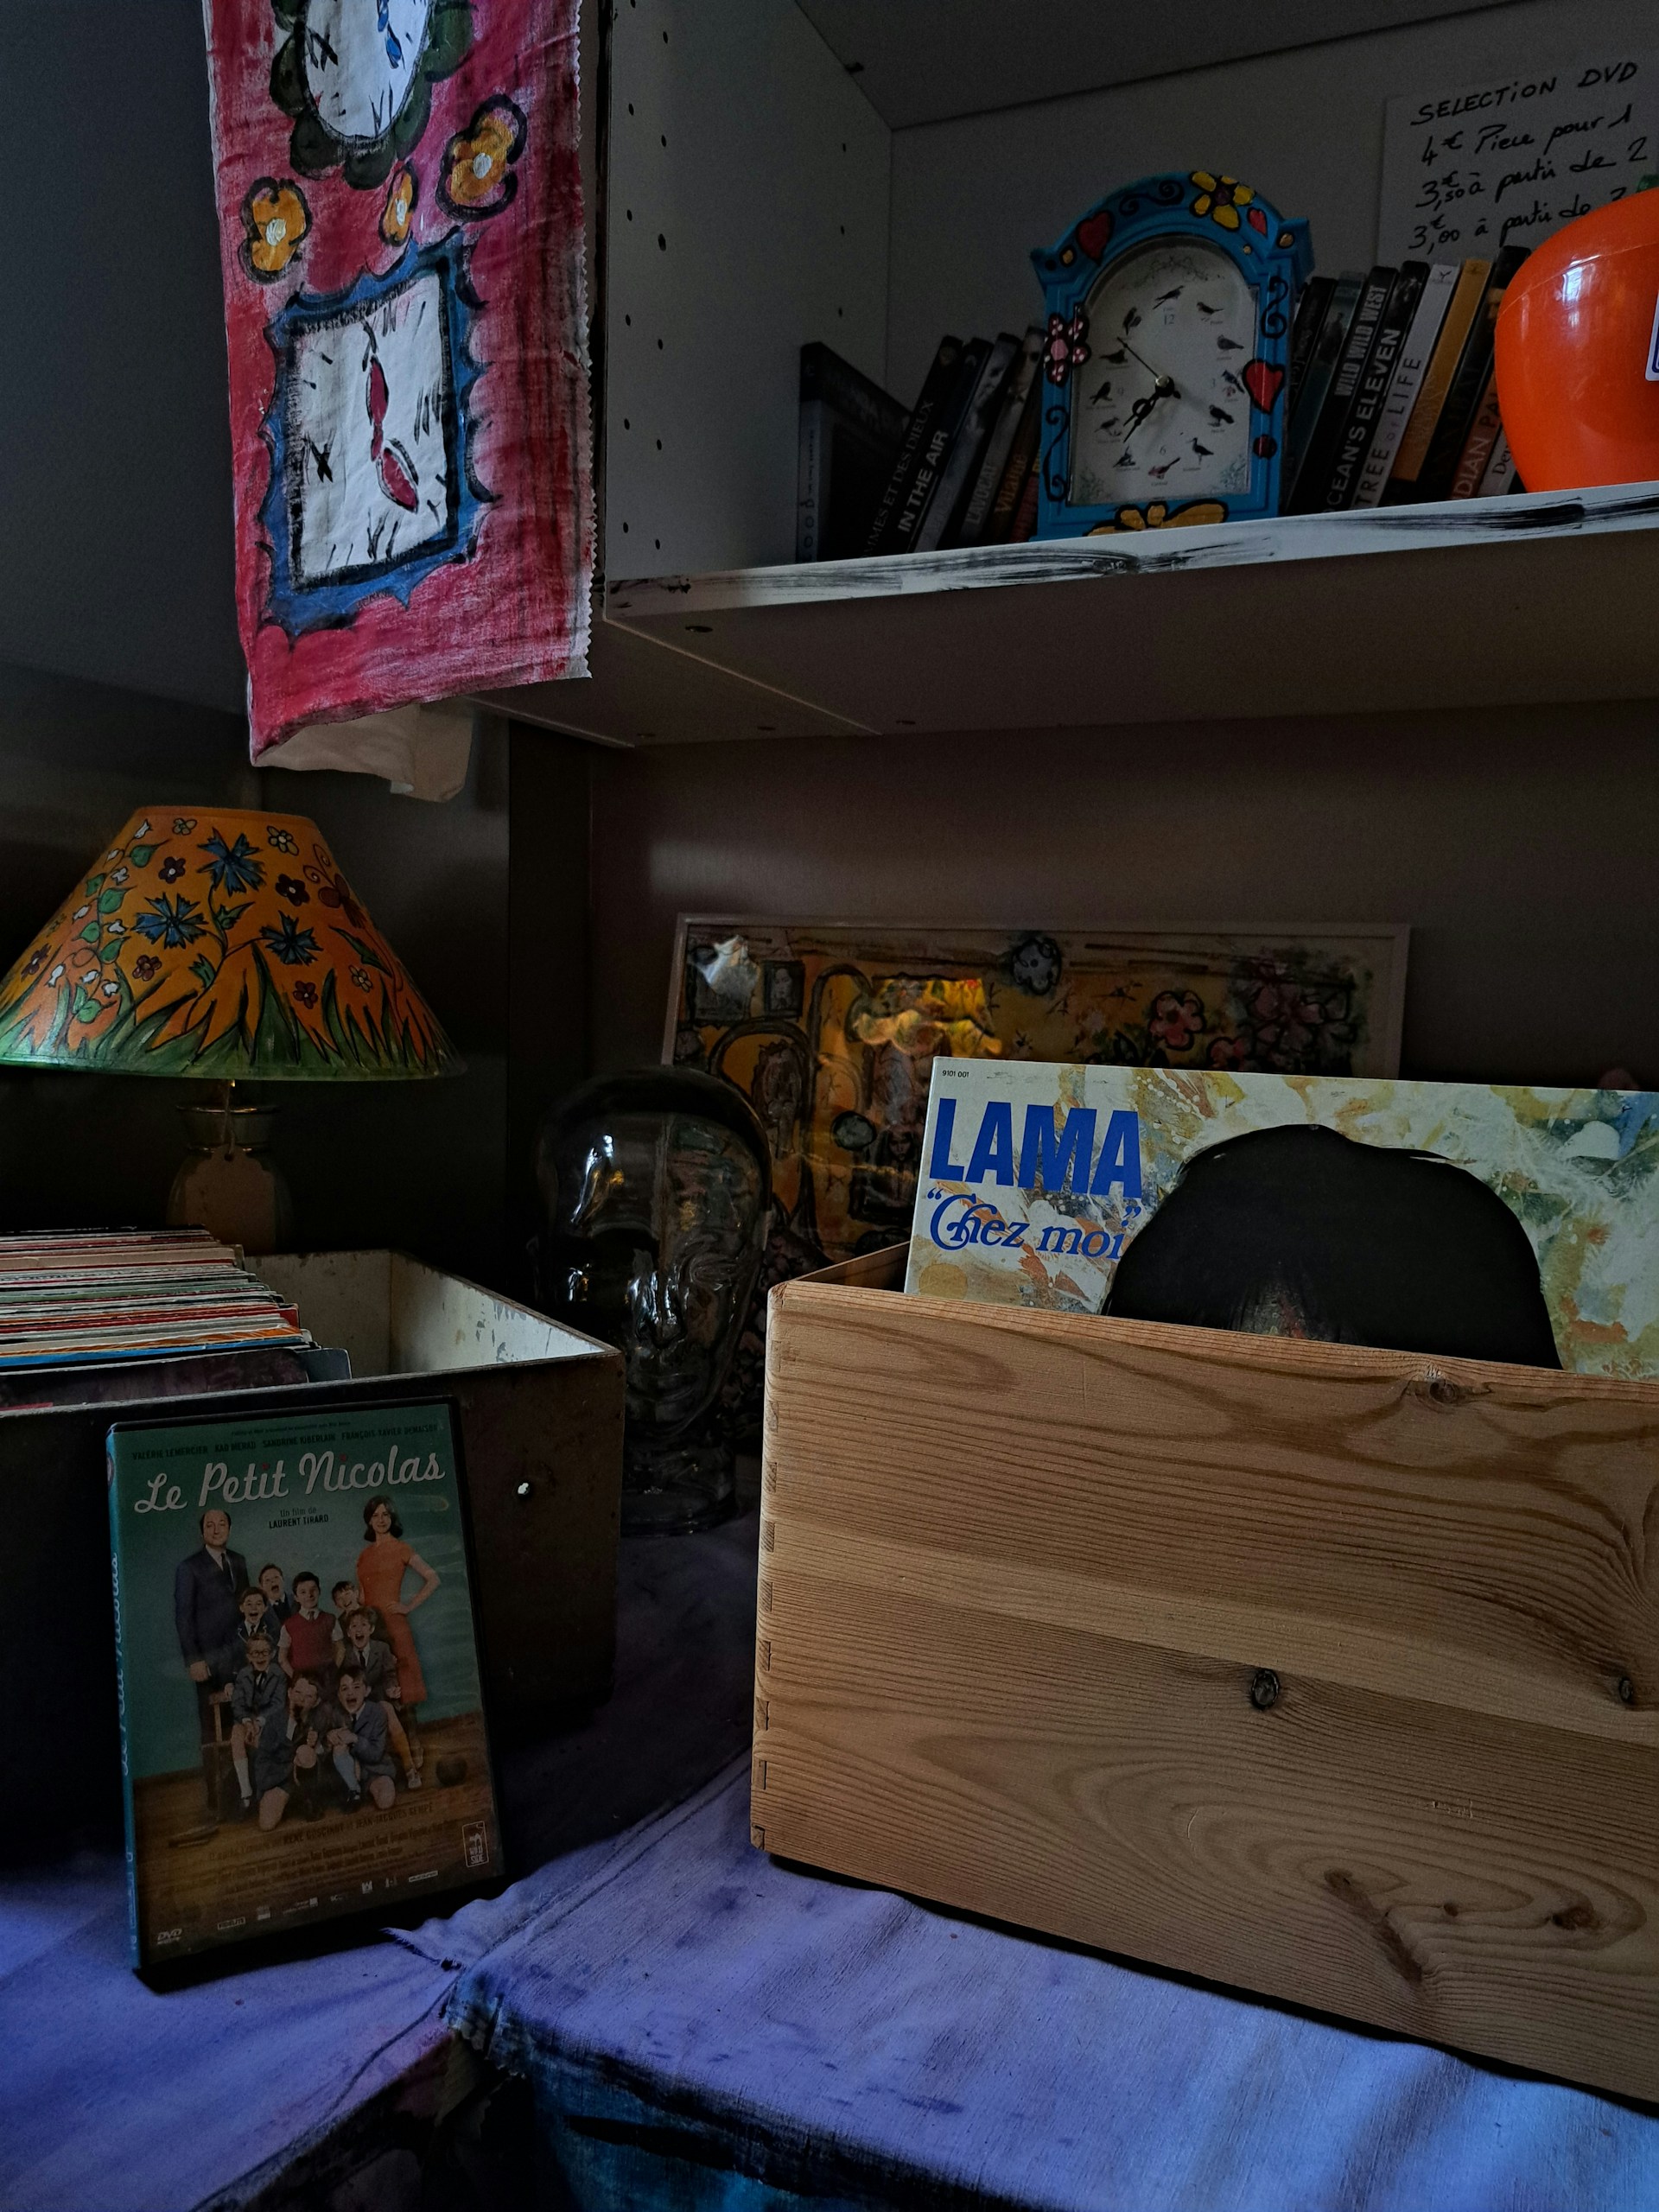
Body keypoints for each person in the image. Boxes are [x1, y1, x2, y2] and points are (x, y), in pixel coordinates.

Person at [174, 1507, 251, 1821]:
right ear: (202, 1531)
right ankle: (217, 1802)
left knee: (242, 1721)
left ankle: (245, 1793)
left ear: (229, 1528)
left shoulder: (239, 1561)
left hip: (239, 1656)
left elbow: (247, 1607)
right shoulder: (189, 1568)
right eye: (210, 1524)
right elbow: (183, 1617)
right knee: (211, 1729)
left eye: (222, 1524)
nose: (216, 1529)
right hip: (207, 1661)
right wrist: (193, 1660)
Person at [355, 1497, 438, 1767]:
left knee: (405, 1691)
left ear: (392, 1519)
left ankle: (414, 1745)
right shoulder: (364, 1556)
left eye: (386, 1515)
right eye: (376, 1515)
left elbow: (433, 1578)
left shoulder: (401, 1548)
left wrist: (408, 1605)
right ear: (369, 1520)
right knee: (379, 1690)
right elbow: (362, 1596)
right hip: (371, 1630)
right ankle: (393, 1754)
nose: (381, 1519)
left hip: (395, 1625)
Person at [340, 1606, 421, 1790]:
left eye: (363, 1625)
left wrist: (391, 1689)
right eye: (353, 1626)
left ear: (371, 1629)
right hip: (354, 1701)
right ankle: (358, 1781)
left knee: (388, 1711)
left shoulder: (381, 1648)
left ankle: (410, 1769)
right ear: (348, 1632)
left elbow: (389, 1675)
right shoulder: (343, 1654)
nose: (358, 1630)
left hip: (377, 1696)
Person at [255, 1673, 328, 1830]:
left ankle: (308, 1801)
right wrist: (271, 1782)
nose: (301, 1699)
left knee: (305, 1752)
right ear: (289, 1693)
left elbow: (327, 1759)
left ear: (316, 1702)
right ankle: (290, 1804)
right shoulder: (274, 1722)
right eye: (298, 1693)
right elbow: (262, 1760)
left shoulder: (318, 1720)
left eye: (309, 1697)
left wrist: (316, 1746)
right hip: (281, 1778)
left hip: (307, 1780)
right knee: (266, 1824)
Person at [228, 1632, 287, 1820]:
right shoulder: (244, 1674)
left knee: (263, 1742)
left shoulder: (278, 1674)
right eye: (255, 1653)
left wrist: (259, 1721)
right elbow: (237, 1703)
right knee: (237, 1734)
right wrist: (247, 1721)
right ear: (249, 1656)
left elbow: (278, 1704)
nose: (260, 1657)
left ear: (273, 1654)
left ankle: (263, 1792)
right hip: (247, 1721)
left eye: (265, 1652)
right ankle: (246, 1794)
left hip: (269, 1721)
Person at [326, 1668, 397, 1811]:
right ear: (339, 1695)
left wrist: (355, 1739)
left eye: (356, 1687)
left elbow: (376, 1753)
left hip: (374, 1770)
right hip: (347, 1774)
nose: (350, 1692)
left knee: (386, 1800)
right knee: (339, 1747)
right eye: (344, 1689)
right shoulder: (335, 1713)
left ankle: (366, 1791)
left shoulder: (376, 1713)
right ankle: (354, 1791)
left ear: (367, 1691)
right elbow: (323, 1746)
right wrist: (329, 1738)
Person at [277, 1573, 337, 1688]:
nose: (309, 1595)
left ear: (319, 1591)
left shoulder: (330, 1619)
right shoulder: (289, 1625)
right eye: (303, 1592)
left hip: (327, 1681)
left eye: (313, 1590)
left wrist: (333, 1672)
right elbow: (282, 1658)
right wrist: (296, 1678)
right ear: (296, 1597)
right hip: (301, 1682)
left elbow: (340, 1648)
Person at [257, 1563, 296, 1629]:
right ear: (262, 1588)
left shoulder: (297, 1600)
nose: (273, 1581)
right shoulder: (261, 1611)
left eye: (276, 1577)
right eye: (267, 1580)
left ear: (283, 1580)